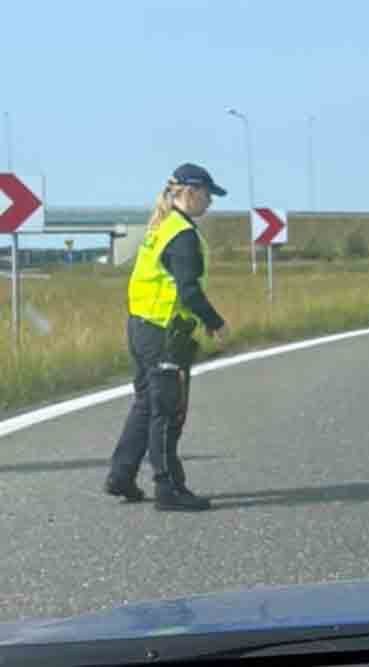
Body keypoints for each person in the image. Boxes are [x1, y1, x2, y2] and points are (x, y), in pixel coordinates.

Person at [105, 163, 229, 511]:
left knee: (146, 404)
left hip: (142, 326)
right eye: (208, 194)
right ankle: (168, 488)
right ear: (190, 191)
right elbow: (188, 291)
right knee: (168, 410)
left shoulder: (161, 226)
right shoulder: (183, 235)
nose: (210, 203)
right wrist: (214, 322)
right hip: (164, 333)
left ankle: (121, 475)